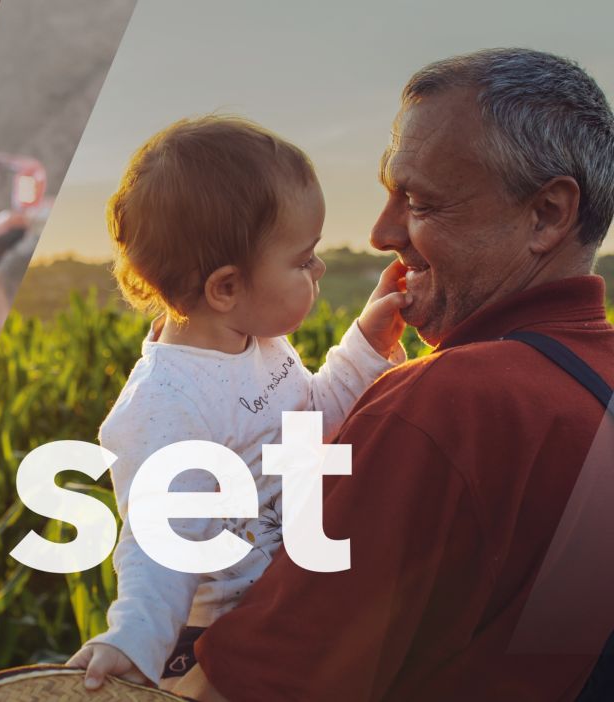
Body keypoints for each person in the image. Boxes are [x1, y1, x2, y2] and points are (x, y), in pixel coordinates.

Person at [175, 48, 614, 701]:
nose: (382, 233)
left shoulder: (448, 405)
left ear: (546, 215)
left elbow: (243, 693)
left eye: (420, 202)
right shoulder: (592, 384)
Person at [66, 116, 410, 689]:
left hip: (298, 606)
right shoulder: (166, 404)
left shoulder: (258, 341)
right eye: (303, 260)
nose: (319, 268)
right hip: (233, 646)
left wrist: (367, 346)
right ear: (225, 288)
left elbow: (309, 427)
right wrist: (136, 636)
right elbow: (160, 543)